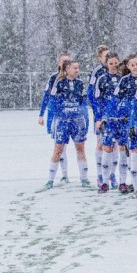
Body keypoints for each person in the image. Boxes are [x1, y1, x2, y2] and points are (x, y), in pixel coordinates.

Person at [45, 60, 90, 189]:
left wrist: (84, 118)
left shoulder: (80, 84)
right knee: (58, 149)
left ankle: (84, 179)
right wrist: (57, 116)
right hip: (62, 121)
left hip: (77, 121)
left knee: (80, 148)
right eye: (75, 68)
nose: (77, 70)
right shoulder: (59, 83)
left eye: (78, 68)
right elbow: (52, 101)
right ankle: (50, 180)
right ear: (67, 69)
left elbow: (83, 103)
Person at [114, 54, 137, 194]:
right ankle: (133, 184)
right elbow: (116, 99)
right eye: (132, 65)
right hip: (129, 120)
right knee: (131, 150)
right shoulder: (124, 81)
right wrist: (118, 113)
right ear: (128, 67)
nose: (135, 67)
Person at [38, 51, 71, 184]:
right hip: (55, 114)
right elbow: (46, 96)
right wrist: (41, 114)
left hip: (70, 115)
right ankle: (61, 175)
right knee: (58, 145)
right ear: (59, 63)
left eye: (68, 61)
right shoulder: (54, 78)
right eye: (63, 61)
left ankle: (66, 175)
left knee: (66, 146)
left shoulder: (74, 77)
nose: (65, 63)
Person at [95, 52, 122, 193]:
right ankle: (104, 181)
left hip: (121, 119)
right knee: (106, 147)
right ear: (106, 64)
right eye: (110, 63)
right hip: (107, 119)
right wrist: (99, 118)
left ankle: (113, 175)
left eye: (115, 63)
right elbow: (97, 100)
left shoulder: (122, 78)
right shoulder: (102, 79)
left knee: (118, 147)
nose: (113, 66)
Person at [87, 45, 111, 189]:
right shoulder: (98, 72)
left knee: (112, 144)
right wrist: (98, 115)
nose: (108, 59)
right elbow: (91, 94)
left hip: (114, 113)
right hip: (101, 113)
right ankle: (100, 174)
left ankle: (111, 174)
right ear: (100, 58)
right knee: (101, 142)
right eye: (105, 56)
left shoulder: (116, 69)